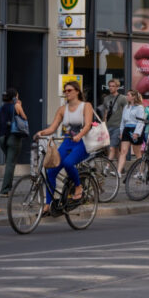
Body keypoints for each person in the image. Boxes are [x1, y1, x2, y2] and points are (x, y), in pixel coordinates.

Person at [34, 81, 94, 214]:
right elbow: (53, 128)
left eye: (69, 90)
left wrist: (79, 135)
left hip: (82, 142)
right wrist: (41, 133)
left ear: (77, 91)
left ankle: (78, 187)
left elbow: (88, 125)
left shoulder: (86, 106)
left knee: (68, 163)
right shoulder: (62, 109)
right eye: (65, 91)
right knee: (51, 172)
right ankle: (48, 205)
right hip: (67, 141)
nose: (66, 93)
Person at [0, 88, 27, 197]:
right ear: (15, 97)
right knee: (10, 164)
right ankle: (4, 190)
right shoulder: (17, 106)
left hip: (2, 139)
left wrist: (0, 126)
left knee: (10, 162)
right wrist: (20, 106)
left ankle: (8, 188)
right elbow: (24, 118)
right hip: (13, 137)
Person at [117, 90, 145, 176]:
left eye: (128, 95)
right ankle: (119, 171)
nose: (127, 96)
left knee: (137, 152)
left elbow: (141, 121)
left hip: (135, 128)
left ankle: (140, 172)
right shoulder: (126, 107)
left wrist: (137, 133)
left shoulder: (140, 107)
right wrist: (121, 131)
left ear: (133, 97)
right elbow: (122, 121)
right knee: (123, 151)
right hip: (126, 129)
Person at [101, 79, 127, 163]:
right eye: (110, 86)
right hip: (108, 126)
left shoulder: (123, 98)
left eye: (113, 86)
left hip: (118, 126)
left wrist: (123, 127)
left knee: (112, 147)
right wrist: (104, 125)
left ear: (117, 87)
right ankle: (121, 168)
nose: (111, 88)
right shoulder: (106, 99)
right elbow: (105, 112)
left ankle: (107, 168)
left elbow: (125, 112)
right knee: (113, 149)